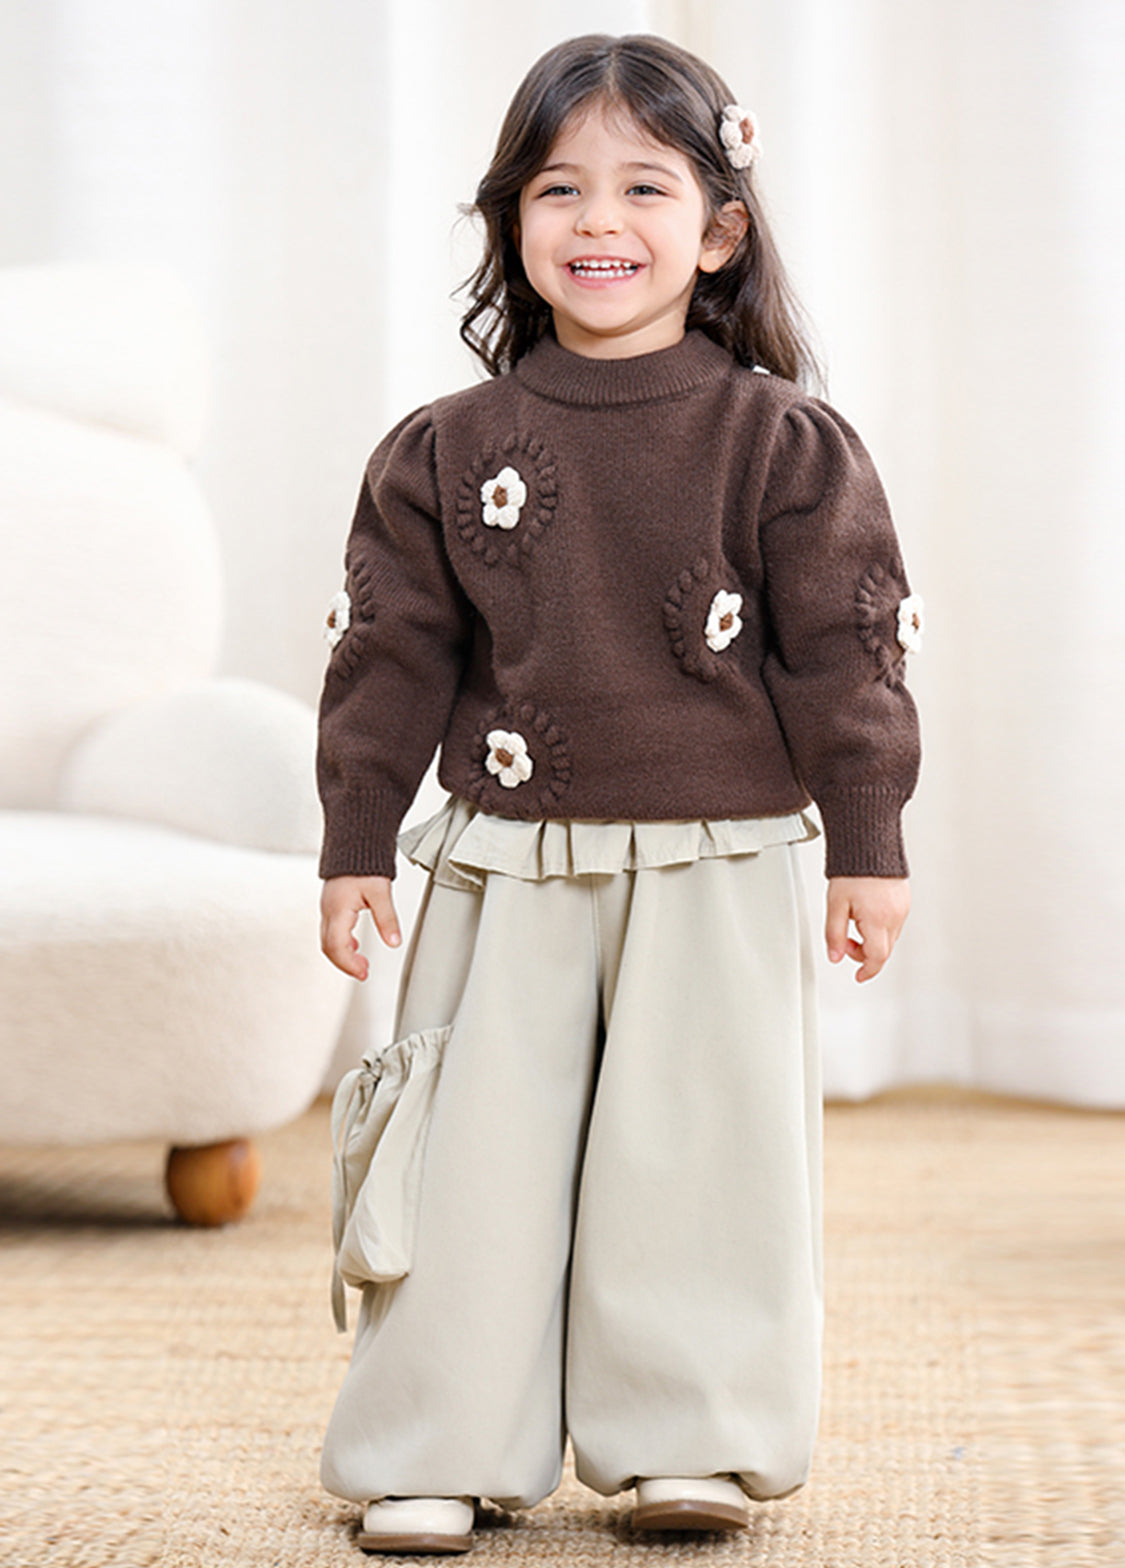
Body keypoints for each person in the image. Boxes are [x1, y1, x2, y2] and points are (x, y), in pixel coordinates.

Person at [316, 31, 921, 1556]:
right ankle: (437, 1443)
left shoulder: (780, 443)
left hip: (721, 856)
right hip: (502, 860)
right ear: (511, 224)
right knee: (469, 1157)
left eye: (643, 187)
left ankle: (688, 1437)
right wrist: (353, 841)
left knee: (700, 1147)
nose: (598, 220)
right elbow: (390, 655)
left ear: (717, 231)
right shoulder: (443, 450)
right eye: (557, 188)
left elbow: (843, 653)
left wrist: (868, 844)